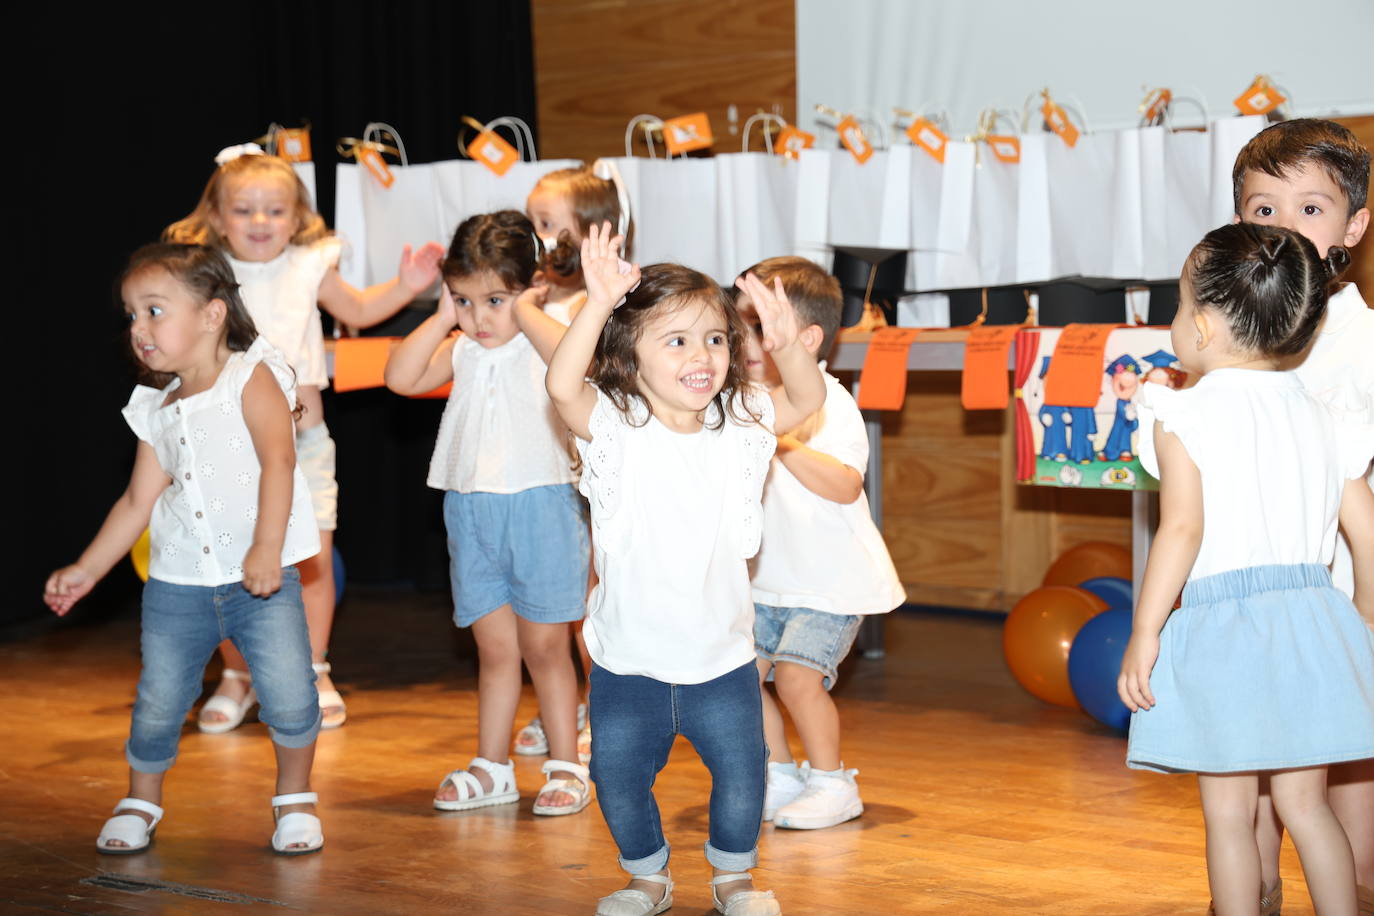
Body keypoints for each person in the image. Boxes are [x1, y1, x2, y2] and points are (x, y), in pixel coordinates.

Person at [545, 223, 826, 916]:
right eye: (677, 340)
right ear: (628, 353)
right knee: (617, 776)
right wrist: (598, 301)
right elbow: (559, 382)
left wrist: (787, 345)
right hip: (627, 662)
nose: (702, 354)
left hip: (722, 659)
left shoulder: (739, 425)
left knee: (741, 771)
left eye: (717, 338)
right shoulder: (614, 426)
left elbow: (805, 401)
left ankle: (734, 877)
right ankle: (647, 877)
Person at [1118, 223, 1374, 915]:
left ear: (1201, 325)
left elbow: (1182, 528)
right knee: (1307, 805)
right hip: (1313, 619)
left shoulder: (1182, 415)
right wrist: (1365, 620)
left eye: (1175, 307)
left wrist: (1147, 631)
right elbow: (1366, 526)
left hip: (1225, 628)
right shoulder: (1323, 415)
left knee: (1230, 813)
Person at [44, 244, 324, 855]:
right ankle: (140, 800)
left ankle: (296, 799)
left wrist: (265, 547)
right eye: (131, 315)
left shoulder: (251, 377)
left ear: (211, 314)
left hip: (260, 583)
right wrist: (87, 570)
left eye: (153, 310)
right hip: (177, 584)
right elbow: (136, 504)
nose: (138, 328)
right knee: (160, 698)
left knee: (290, 693)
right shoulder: (156, 405)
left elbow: (279, 461)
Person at [165, 145, 444, 732]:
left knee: (309, 561)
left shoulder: (310, 262)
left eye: (275, 211)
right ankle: (239, 677)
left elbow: (360, 310)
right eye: (245, 210)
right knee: (230, 562)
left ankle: (313, 669)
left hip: (303, 443)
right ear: (217, 216)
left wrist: (407, 283)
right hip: (225, 448)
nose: (261, 223)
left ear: (297, 217)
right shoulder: (203, 272)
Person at [384, 210, 590, 816]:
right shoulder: (464, 349)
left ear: (533, 289)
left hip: (542, 504)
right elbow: (400, 378)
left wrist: (525, 308)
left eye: (493, 300)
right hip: (469, 509)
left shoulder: (547, 335)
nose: (479, 318)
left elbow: (576, 362)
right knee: (496, 651)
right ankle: (493, 765)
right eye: (464, 301)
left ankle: (566, 766)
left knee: (547, 648)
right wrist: (444, 313)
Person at [1230, 117, 1374, 916]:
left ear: (1353, 226)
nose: (1283, 229)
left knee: (1347, 833)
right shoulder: (1221, 338)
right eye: (1263, 211)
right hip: (1244, 613)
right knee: (1244, 806)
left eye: (1310, 210)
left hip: (1341, 618)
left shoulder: (1364, 342)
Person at [734, 257, 905, 830]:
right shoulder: (742, 402)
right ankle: (779, 774)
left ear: (805, 338)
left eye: (760, 326)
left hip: (831, 582)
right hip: (765, 580)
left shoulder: (829, 401)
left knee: (796, 678)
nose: (744, 341)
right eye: (739, 326)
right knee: (737, 677)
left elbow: (846, 483)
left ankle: (832, 783)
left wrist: (780, 441)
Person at [513, 162, 633, 763]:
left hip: (590, 478)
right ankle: (563, 705)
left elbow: (566, 361)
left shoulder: (601, 301)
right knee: (550, 605)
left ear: (592, 234)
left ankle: (602, 707)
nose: (535, 236)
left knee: (591, 601)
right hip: (539, 474)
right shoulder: (537, 294)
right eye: (531, 222)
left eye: (547, 223)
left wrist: (521, 307)